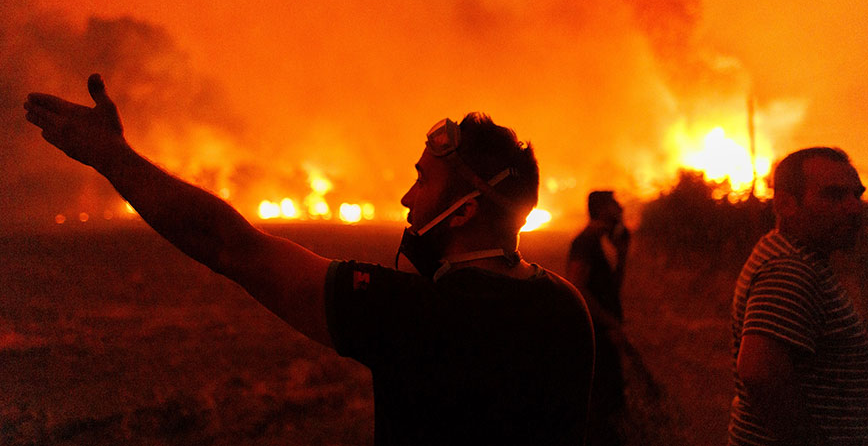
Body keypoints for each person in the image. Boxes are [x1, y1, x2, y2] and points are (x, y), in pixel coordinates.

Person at [24, 74, 595, 446]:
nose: (406, 199)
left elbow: (232, 247)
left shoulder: (417, 316)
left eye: (422, 180)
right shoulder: (567, 308)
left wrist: (113, 158)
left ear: (466, 210)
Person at [729, 147, 868, 445]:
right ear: (786, 204)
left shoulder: (784, 251)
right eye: (834, 196)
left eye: (856, 194)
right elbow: (759, 371)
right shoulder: (790, 269)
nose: (854, 207)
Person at [566, 190, 629, 446]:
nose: (620, 207)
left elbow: (612, 287)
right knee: (600, 407)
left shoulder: (605, 241)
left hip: (605, 332)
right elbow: (577, 287)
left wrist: (623, 253)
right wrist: (609, 322)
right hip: (595, 334)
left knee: (611, 403)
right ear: (602, 208)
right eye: (614, 203)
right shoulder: (586, 242)